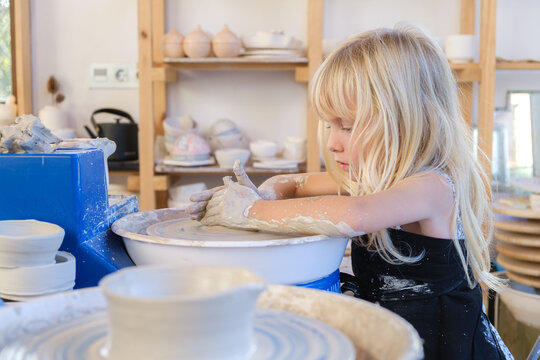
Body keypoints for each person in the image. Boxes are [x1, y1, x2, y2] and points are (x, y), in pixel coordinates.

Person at [187, 24, 513, 359]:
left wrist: (249, 212)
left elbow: (355, 215)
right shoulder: (376, 179)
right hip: (393, 328)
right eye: (329, 125)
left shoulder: (433, 186)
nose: (332, 143)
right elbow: (299, 183)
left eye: (348, 125)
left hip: (444, 345)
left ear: (408, 119)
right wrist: (268, 193)